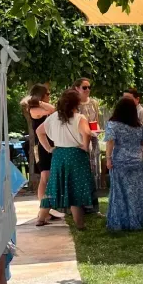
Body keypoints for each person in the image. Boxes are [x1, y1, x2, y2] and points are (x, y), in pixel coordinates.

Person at [36, 88, 95, 229]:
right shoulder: (79, 118)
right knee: (75, 189)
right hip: (76, 155)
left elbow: (39, 131)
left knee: (53, 187)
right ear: (77, 103)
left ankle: (41, 218)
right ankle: (80, 224)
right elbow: (87, 133)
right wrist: (85, 147)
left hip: (59, 155)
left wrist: (49, 148)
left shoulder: (54, 117)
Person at [105, 95, 143, 231]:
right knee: (137, 192)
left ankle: (119, 222)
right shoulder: (138, 126)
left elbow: (110, 141)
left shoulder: (113, 124)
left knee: (119, 192)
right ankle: (137, 221)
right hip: (137, 160)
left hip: (120, 161)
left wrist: (108, 158)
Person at [25, 84, 55, 217]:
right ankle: (43, 208)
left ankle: (50, 207)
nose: (50, 96)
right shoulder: (34, 109)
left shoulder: (40, 106)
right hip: (41, 146)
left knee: (49, 176)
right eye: (47, 94)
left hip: (49, 143)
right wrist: (39, 102)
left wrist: (40, 101)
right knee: (45, 176)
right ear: (41, 95)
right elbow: (53, 110)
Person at [74, 77, 102, 214]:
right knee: (81, 170)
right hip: (79, 140)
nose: (87, 90)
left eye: (89, 87)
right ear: (77, 88)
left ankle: (92, 204)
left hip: (93, 139)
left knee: (94, 171)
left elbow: (96, 121)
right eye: (84, 87)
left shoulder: (94, 103)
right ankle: (81, 204)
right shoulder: (73, 104)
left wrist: (96, 129)